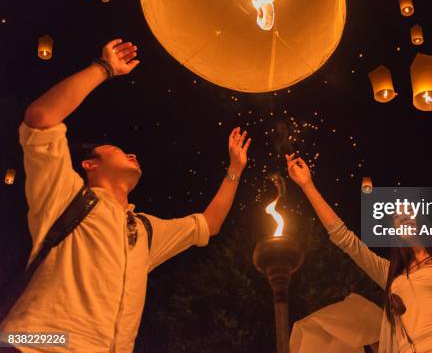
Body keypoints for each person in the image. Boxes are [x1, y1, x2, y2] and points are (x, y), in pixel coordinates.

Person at [0, 39, 251, 352]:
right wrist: (103, 68)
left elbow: (209, 224)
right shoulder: (64, 195)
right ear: (90, 164)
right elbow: (40, 119)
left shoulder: (144, 231)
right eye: (117, 149)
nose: (131, 153)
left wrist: (235, 169)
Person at [285, 154, 432, 353]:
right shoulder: (389, 272)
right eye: (397, 217)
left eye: (409, 211)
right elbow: (345, 239)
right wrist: (308, 186)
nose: (403, 217)